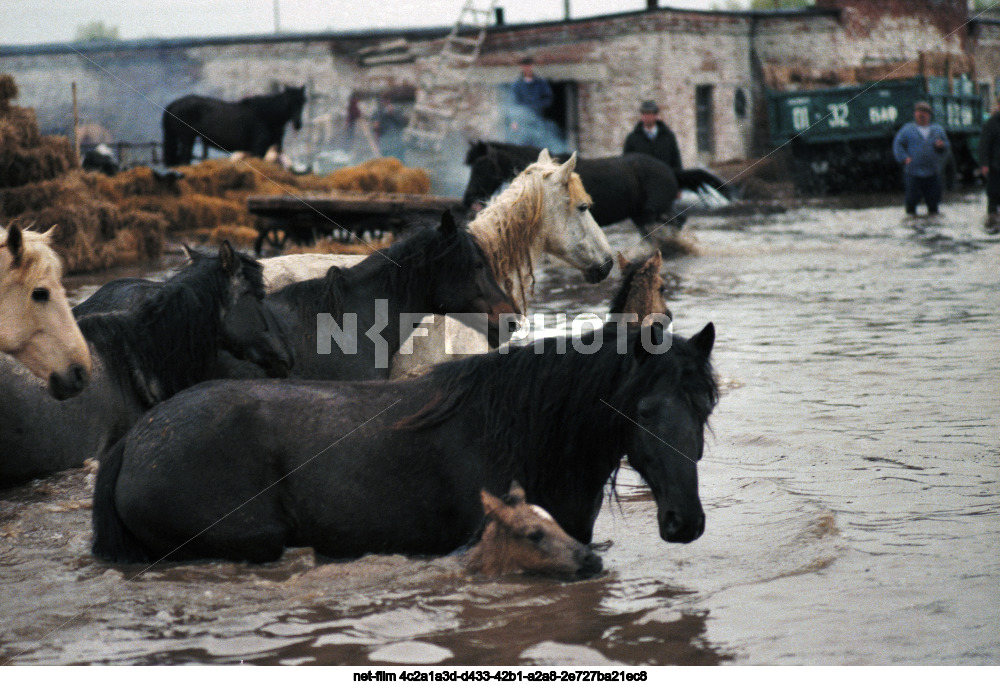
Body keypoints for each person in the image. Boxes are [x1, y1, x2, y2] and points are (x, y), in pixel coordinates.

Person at [892, 101, 951, 217]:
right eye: (919, 112)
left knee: (933, 203)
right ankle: (912, 223)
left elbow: (947, 146)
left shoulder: (937, 130)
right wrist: (904, 158)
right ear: (915, 114)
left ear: (929, 115)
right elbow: (897, 145)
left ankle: (933, 222)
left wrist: (942, 145)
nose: (922, 115)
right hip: (913, 172)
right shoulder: (907, 130)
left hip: (932, 172)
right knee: (911, 203)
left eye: (925, 113)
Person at [623, 100, 682, 171]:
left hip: (664, 179)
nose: (645, 116)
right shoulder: (632, 139)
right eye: (643, 113)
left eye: (648, 113)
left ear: (655, 115)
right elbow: (626, 164)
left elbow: (676, 161)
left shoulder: (668, 137)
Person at [506, 56, 553, 146]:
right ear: (521, 67)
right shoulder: (517, 85)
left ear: (532, 66)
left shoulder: (541, 83)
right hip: (522, 122)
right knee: (521, 144)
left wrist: (538, 105)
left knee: (539, 143)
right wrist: (514, 121)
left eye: (529, 65)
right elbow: (512, 103)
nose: (527, 68)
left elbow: (548, 99)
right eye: (525, 66)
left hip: (538, 119)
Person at [978, 95, 1000, 231]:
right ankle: (992, 224)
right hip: (995, 168)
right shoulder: (991, 123)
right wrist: (984, 164)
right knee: (993, 196)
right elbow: (984, 145)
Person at [373, 95, 407, 161]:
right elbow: (376, 127)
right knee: (385, 160)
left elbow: (403, 123)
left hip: (397, 141)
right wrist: (376, 126)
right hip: (385, 142)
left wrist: (393, 114)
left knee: (399, 160)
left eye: (386, 100)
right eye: (383, 100)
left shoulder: (397, 110)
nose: (384, 102)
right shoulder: (378, 112)